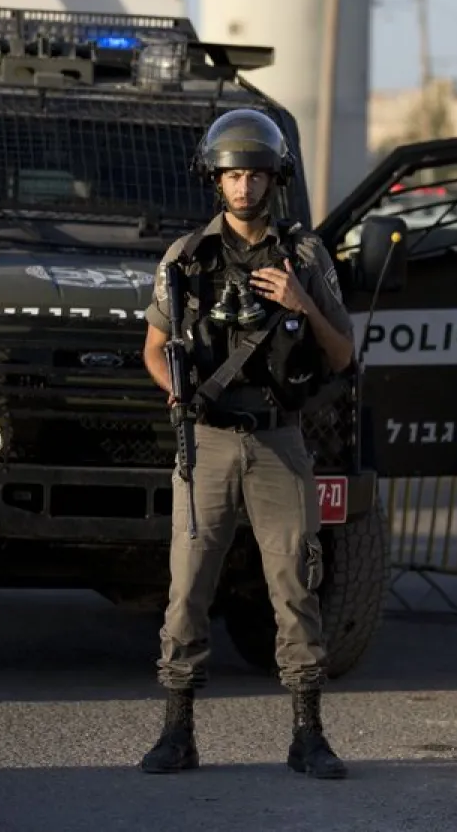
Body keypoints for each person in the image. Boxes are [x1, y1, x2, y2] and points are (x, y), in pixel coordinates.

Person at [138, 108, 356, 780]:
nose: (243, 187)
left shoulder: (306, 257)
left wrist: (303, 304)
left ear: (274, 179)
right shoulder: (185, 259)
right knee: (187, 589)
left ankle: (308, 734)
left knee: (295, 588)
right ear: (216, 179)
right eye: (233, 174)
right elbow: (152, 346)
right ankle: (178, 732)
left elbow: (343, 355)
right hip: (203, 440)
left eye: (255, 174)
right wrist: (172, 386)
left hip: (277, 439)